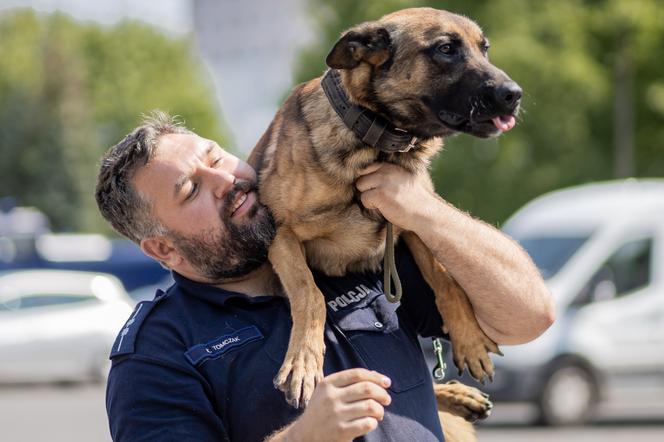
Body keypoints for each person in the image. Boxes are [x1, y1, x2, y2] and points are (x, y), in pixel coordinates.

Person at [96, 112, 554, 442]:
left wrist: (425, 211)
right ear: (164, 248)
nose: (224, 181)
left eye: (216, 158)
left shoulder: (347, 254)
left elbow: (529, 316)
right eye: (191, 189)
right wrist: (303, 439)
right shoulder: (158, 353)